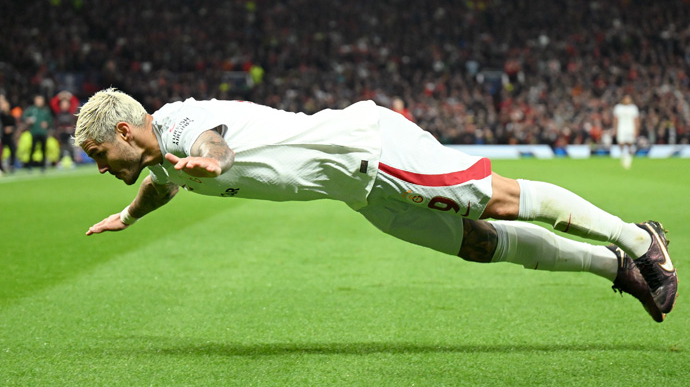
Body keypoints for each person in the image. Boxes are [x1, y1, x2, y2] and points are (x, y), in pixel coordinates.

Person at [75, 88, 678, 322]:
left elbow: (211, 144)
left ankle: (637, 238)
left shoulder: (181, 128)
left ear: (126, 132)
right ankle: (617, 269)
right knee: (476, 244)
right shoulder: (159, 156)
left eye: (101, 153)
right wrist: (129, 215)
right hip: (359, 191)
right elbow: (163, 180)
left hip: (370, 150)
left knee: (497, 199)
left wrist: (216, 161)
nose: (102, 167)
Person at [22, 94, 54, 171]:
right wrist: (28, 120)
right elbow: (23, 117)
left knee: (43, 149)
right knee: (32, 149)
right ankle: (30, 165)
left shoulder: (45, 110)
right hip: (34, 132)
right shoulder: (31, 109)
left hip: (43, 133)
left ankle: (43, 166)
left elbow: (50, 120)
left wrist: (47, 124)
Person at [613, 94, 640, 169]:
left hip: (630, 127)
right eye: (626, 98)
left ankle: (628, 158)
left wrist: (636, 129)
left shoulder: (633, 108)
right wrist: (615, 129)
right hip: (621, 127)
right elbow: (615, 119)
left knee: (629, 143)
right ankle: (623, 155)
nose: (627, 100)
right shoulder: (618, 108)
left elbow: (636, 120)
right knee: (621, 143)